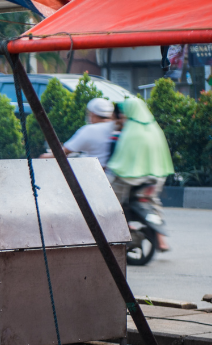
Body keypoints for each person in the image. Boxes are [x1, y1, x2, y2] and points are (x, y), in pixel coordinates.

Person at [107, 97, 174, 252]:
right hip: (156, 177)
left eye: (123, 112)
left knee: (112, 202)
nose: (122, 116)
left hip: (131, 177)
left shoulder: (131, 131)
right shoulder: (155, 129)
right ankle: (161, 240)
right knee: (153, 203)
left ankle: (122, 229)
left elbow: (120, 162)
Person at [40, 97, 116, 167]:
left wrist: (43, 157)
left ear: (92, 114)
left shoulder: (90, 130)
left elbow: (63, 152)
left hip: (93, 171)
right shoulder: (115, 126)